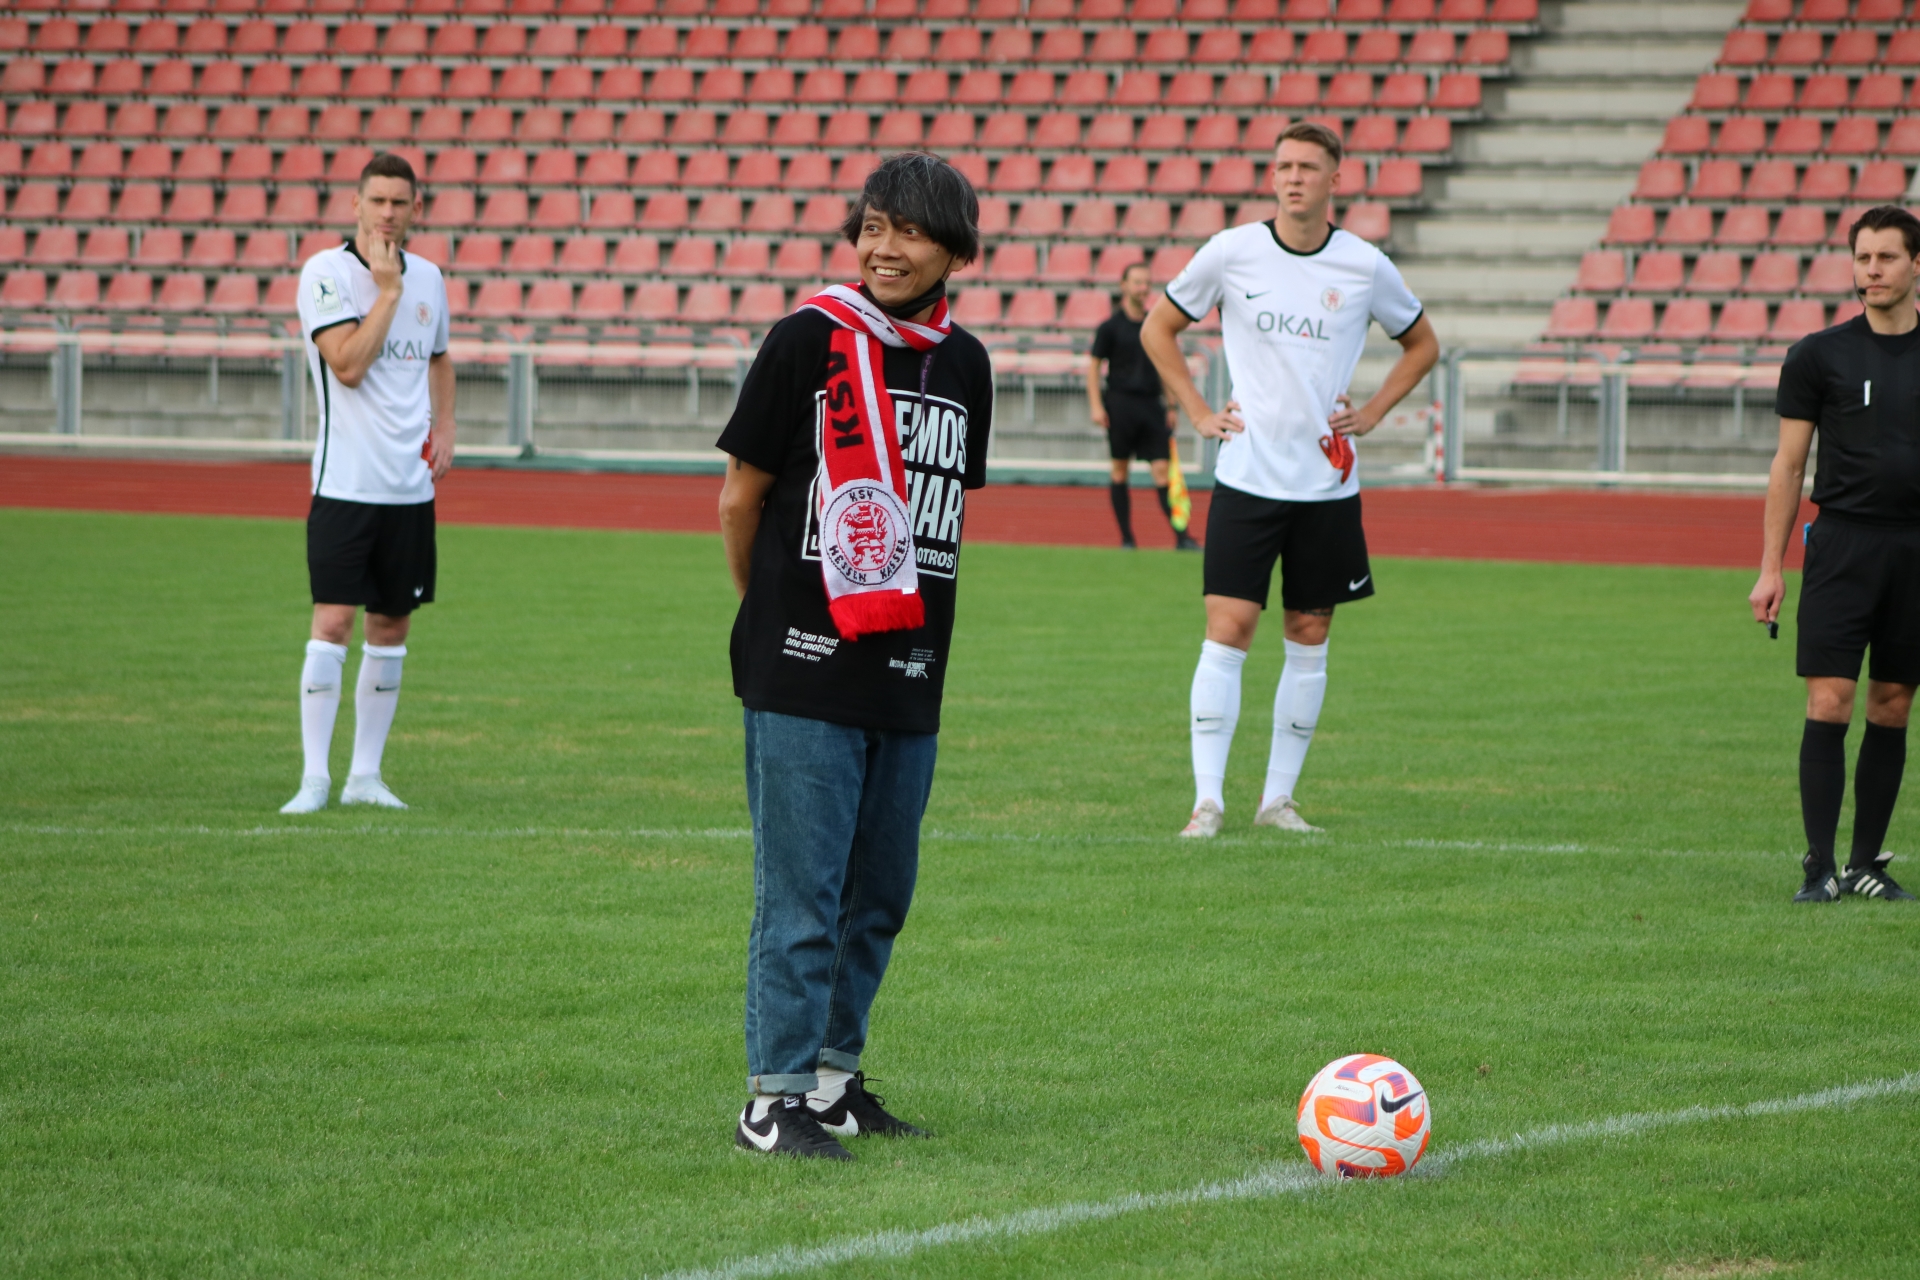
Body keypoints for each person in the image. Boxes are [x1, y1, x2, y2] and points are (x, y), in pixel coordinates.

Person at [715, 153, 995, 1159]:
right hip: (802, 668)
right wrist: (773, 616)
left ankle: (833, 1084)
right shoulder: (807, 339)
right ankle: (772, 1099)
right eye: (872, 226)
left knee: (877, 897)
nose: (883, 247)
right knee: (802, 895)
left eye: (907, 230)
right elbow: (740, 499)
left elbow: (943, 517)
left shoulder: (966, 365)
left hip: (910, 670)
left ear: (953, 249)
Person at [1140, 121, 1439, 838]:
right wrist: (1199, 411)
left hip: (1326, 486)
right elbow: (1158, 328)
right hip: (1247, 477)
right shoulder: (1231, 251)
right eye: (1283, 167)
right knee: (1228, 628)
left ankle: (1277, 800)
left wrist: (1372, 411)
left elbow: (1423, 344)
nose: (1293, 177)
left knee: (1309, 631)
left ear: (1336, 179)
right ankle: (1207, 802)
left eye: (1308, 167)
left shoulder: (1364, 265)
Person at [1750, 205, 1920, 904]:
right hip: (1842, 544)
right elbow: (1788, 466)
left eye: (1886, 257)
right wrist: (1770, 568)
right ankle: (1819, 868)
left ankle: (1866, 865)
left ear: (1916, 265)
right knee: (1830, 699)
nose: (1871, 270)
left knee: (1893, 703)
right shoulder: (1817, 356)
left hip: (1914, 550)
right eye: (1862, 258)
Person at [280, 154, 455, 815]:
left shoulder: (430, 277)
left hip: (409, 490)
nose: (387, 213)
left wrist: (447, 425)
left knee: (391, 627)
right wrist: (386, 293)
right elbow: (348, 365)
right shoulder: (325, 274)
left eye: (399, 203)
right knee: (332, 622)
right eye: (377, 201)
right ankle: (313, 779)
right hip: (345, 484)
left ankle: (364, 776)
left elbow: (439, 357)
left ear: (416, 209)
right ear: (355, 205)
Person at [1087, 261, 1200, 550]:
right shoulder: (1109, 328)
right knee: (1119, 470)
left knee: (1163, 471)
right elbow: (1093, 368)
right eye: (1137, 282)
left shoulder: (1155, 326)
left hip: (1152, 405)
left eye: (1147, 283)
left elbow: (1165, 366)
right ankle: (1127, 539)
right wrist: (1096, 406)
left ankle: (1181, 537)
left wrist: (1171, 405)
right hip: (1120, 405)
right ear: (1124, 286)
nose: (1143, 288)